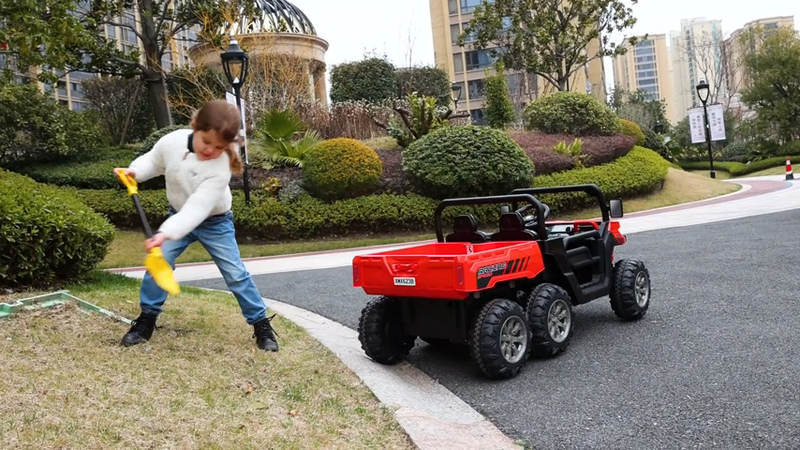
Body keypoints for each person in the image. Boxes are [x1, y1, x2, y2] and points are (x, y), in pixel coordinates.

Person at [114, 99, 278, 352]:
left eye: (219, 146)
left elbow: (197, 209)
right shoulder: (172, 142)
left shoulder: (221, 166)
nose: (211, 150)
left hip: (215, 222)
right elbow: (153, 162)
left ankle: (261, 323)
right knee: (160, 264)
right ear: (195, 127)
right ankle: (147, 318)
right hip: (176, 214)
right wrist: (135, 171)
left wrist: (164, 232)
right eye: (207, 142)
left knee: (235, 274)